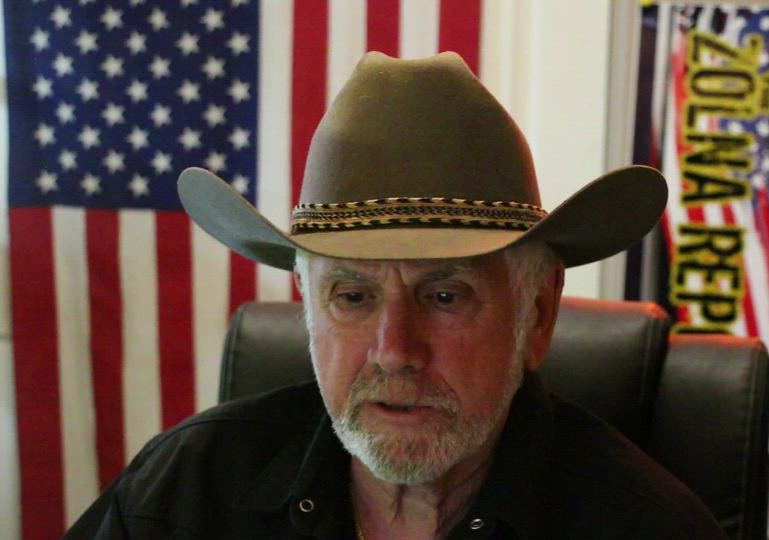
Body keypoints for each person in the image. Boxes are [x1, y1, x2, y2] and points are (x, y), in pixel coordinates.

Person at [65, 52, 725, 539]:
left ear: (539, 313)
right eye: (353, 297)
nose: (394, 351)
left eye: (445, 296)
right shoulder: (187, 491)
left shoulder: (648, 527)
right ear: (307, 307)